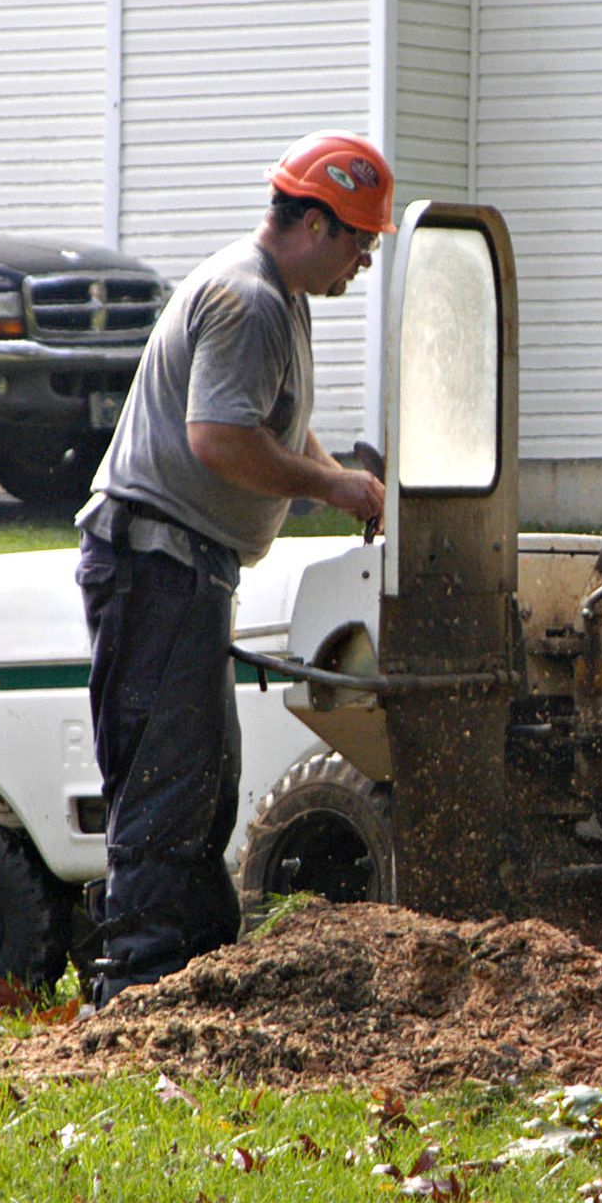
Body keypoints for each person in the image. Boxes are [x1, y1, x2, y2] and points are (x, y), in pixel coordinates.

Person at [72, 131, 393, 1006]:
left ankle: (196, 974)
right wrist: (332, 485)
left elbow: (270, 428)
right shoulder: (249, 299)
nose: (363, 263)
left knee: (205, 785)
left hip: (183, 571)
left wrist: (340, 482)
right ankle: (137, 990)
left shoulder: (280, 298)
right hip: (156, 566)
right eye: (361, 242)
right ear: (316, 222)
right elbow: (218, 441)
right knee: (167, 785)